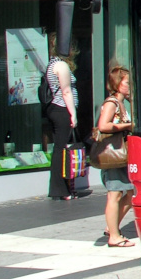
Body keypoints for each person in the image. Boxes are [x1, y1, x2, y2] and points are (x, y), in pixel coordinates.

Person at [96, 64, 136, 247]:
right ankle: (114, 236)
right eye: (127, 82)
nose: (130, 85)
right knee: (115, 195)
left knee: (129, 194)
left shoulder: (122, 103)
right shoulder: (111, 103)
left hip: (121, 155)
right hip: (113, 155)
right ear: (118, 83)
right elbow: (103, 125)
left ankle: (112, 227)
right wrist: (126, 126)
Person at [46, 35, 79, 201]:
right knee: (61, 149)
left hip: (55, 109)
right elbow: (66, 91)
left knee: (59, 148)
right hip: (61, 109)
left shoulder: (51, 63)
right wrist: (73, 113)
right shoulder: (61, 65)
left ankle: (60, 188)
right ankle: (60, 189)